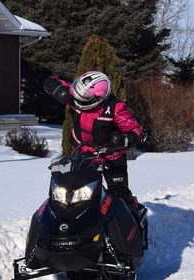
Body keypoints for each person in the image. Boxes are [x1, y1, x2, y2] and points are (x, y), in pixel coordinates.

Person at [44, 71, 144, 210]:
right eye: (77, 96)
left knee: (119, 196)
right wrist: (56, 88)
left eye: (82, 99)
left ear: (98, 98)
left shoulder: (116, 108)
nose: (76, 101)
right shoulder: (77, 95)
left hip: (111, 157)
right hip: (82, 154)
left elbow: (136, 130)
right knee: (74, 191)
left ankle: (129, 222)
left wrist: (125, 139)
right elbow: (52, 80)